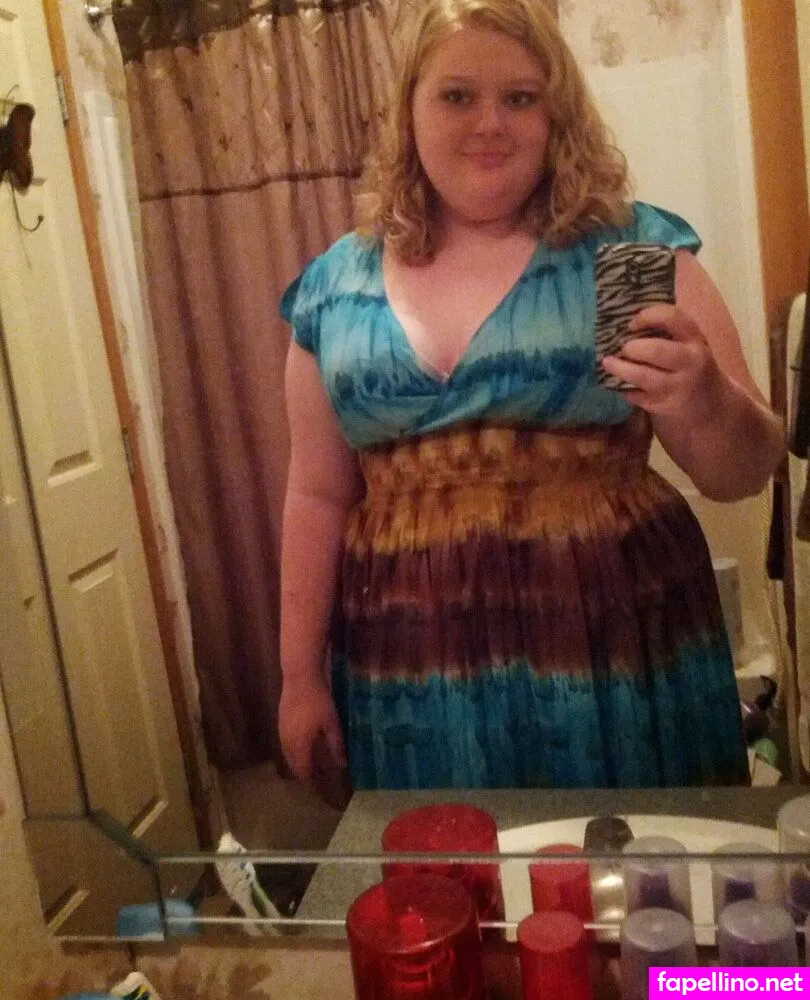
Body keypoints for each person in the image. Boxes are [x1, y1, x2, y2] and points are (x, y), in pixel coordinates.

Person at [277, 0, 784, 793]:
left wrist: (705, 398)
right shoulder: (334, 288)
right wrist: (298, 677)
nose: (490, 123)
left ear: (558, 114)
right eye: (457, 95)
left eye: (520, 97)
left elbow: (741, 473)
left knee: (633, 859)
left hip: (615, 649)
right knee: (447, 863)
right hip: (410, 662)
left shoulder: (624, 253)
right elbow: (317, 493)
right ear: (409, 110)